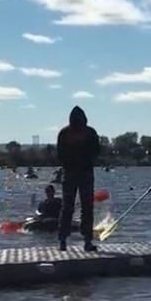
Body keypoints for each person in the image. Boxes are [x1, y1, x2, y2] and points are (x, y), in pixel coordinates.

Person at [56, 106, 100, 251]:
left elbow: (60, 154)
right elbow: (96, 152)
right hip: (79, 173)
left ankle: (68, 240)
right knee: (80, 208)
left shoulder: (67, 133)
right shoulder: (86, 132)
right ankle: (79, 240)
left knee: (74, 208)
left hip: (77, 173)